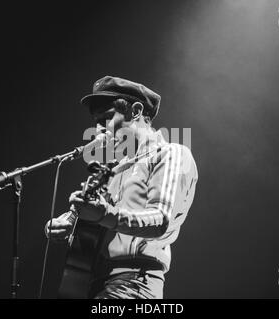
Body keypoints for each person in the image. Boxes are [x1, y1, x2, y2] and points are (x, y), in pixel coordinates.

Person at [45, 75, 198, 299]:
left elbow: (159, 221)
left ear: (136, 111)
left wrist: (103, 214)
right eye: (95, 123)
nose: (99, 131)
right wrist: (67, 224)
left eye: (106, 119)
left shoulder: (170, 153)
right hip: (93, 284)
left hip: (134, 282)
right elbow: (99, 228)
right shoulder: (111, 168)